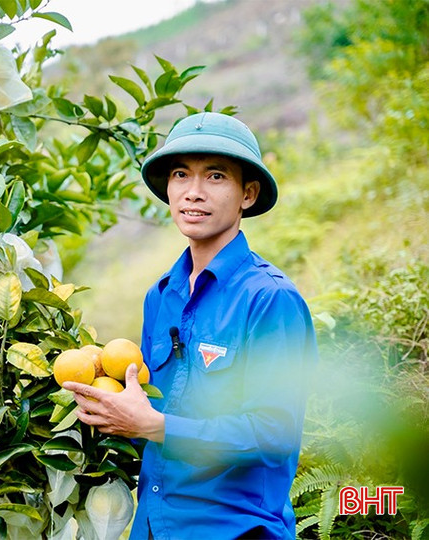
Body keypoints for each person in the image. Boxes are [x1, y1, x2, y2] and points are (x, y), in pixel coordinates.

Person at [63, 112, 317, 539]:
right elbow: (149, 407)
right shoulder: (161, 295)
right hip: (153, 526)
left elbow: (274, 435)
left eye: (215, 176)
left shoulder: (270, 299)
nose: (193, 193)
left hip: (234, 529)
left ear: (248, 194)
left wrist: (154, 426)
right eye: (181, 174)